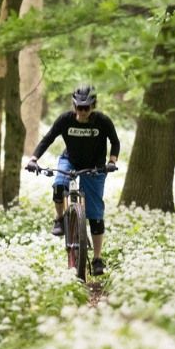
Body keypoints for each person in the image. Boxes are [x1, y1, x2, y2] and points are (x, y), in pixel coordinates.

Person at [26, 84, 119, 276]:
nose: (82, 112)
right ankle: (60, 220)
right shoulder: (65, 120)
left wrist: (112, 161)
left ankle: (97, 259)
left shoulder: (102, 121)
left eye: (86, 108)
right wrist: (34, 159)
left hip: (95, 167)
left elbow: (115, 141)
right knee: (59, 185)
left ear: (93, 106)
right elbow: (48, 138)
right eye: (78, 107)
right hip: (70, 160)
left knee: (94, 214)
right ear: (73, 105)